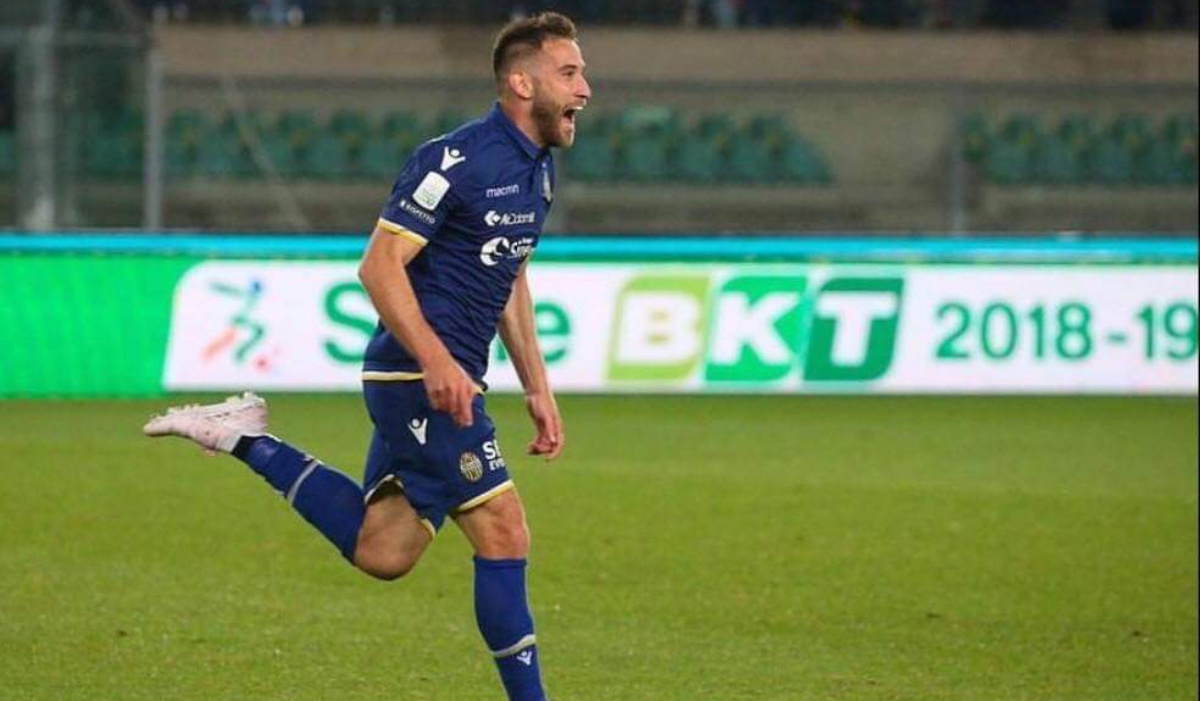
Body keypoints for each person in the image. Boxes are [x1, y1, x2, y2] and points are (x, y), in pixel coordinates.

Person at [143, 12, 590, 701]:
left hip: (444, 376)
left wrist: (538, 386)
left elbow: (510, 275)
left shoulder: (539, 173)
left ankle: (245, 437)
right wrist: (437, 360)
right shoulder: (455, 160)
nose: (585, 88)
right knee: (505, 531)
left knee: (384, 550)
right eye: (569, 73)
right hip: (417, 377)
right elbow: (379, 266)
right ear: (521, 83)